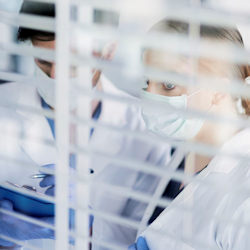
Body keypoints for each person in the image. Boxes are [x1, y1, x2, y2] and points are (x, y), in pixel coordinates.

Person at [0, 1, 172, 249]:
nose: (56, 77)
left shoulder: (143, 128)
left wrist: (89, 230)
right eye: (44, 60)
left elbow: (143, 236)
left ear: (109, 49)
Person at [130, 19, 250, 249]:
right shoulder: (182, 153)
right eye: (148, 81)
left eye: (167, 83)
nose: (150, 96)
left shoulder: (243, 190)